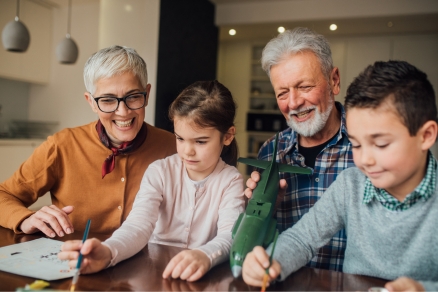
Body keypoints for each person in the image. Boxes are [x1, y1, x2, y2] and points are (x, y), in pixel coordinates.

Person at [242, 60, 438, 291]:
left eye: (381, 144)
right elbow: (302, 239)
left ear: (426, 135)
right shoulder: (350, 184)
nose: (365, 159)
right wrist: (271, 261)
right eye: (355, 145)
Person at [58, 80, 245, 282]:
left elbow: (231, 236)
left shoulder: (231, 180)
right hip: (152, 273)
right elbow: (138, 225)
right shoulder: (159, 171)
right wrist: (108, 251)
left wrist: (205, 255)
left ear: (227, 136)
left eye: (200, 141)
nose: (187, 151)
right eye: (180, 139)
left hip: (198, 277)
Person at [0, 46, 176, 235]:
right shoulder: (62, 146)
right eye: (108, 100)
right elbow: (4, 195)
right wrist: (25, 218)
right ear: (91, 102)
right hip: (75, 260)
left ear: (147, 94)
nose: (123, 112)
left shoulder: (174, 147)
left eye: (133, 97)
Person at [245, 27, 354, 271]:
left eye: (304, 87)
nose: (293, 103)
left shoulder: (369, 146)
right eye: (282, 93)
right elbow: (260, 242)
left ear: (334, 80)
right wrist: (260, 211)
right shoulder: (271, 151)